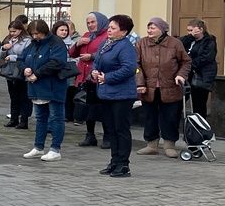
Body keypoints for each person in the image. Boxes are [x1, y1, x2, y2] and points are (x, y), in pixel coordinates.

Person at [135, 17, 191, 158]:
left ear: (162, 29)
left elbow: (186, 62)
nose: (149, 30)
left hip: (171, 87)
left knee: (170, 117)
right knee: (149, 117)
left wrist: (181, 75)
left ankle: (169, 145)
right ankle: (151, 145)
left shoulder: (175, 43)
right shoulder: (141, 43)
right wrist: (140, 83)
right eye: (148, 28)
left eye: (153, 28)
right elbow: (136, 65)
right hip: (148, 88)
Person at [92, 15, 140, 178]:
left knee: (121, 129)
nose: (109, 31)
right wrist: (94, 71)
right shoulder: (106, 43)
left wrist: (108, 77)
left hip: (122, 95)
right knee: (111, 129)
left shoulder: (126, 47)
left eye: (113, 28)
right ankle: (114, 161)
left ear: (124, 31)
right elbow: (97, 61)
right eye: (109, 27)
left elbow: (129, 68)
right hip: (106, 93)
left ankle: (123, 164)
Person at [20, 19, 69, 162]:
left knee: (56, 117)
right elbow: (22, 59)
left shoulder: (56, 43)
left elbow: (57, 62)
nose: (35, 36)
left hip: (53, 87)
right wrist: (25, 69)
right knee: (40, 117)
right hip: (36, 87)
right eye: (33, 34)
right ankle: (38, 146)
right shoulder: (33, 44)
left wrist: (38, 73)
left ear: (44, 31)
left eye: (38, 34)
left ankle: (55, 149)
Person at [72, 12, 111, 147]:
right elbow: (72, 53)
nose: (90, 25)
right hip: (85, 77)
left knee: (103, 108)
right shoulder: (86, 35)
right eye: (88, 23)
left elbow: (107, 54)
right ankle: (90, 135)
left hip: (100, 77)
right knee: (88, 108)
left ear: (101, 22)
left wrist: (92, 56)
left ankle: (107, 136)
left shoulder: (107, 36)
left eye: (93, 22)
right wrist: (77, 44)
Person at [0, 19, 31, 130]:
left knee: (23, 96)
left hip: (21, 70)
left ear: (20, 30)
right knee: (13, 96)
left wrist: (12, 57)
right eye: (10, 31)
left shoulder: (27, 40)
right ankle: (14, 119)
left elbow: (26, 55)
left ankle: (24, 120)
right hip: (10, 71)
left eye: (14, 31)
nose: (12, 33)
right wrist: (3, 49)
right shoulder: (8, 39)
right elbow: (0, 56)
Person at [185, 19, 218, 119]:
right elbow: (179, 43)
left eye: (191, 30)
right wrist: (189, 37)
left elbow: (205, 58)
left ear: (200, 29)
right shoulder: (191, 40)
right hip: (191, 75)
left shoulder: (209, 41)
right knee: (192, 101)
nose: (189, 33)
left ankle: (200, 125)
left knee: (200, 104)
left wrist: (189, 64)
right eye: (188, 30)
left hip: (202, 76)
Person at [54, 20, 80, 122]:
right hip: (55, 72)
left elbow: (77, 57)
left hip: (68, 72)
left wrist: (69, 62)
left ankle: (68, 115)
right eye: (62, 30)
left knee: (69, 94)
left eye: (66, 30)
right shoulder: (51, 43)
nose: (64, 32)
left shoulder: (72, 43)